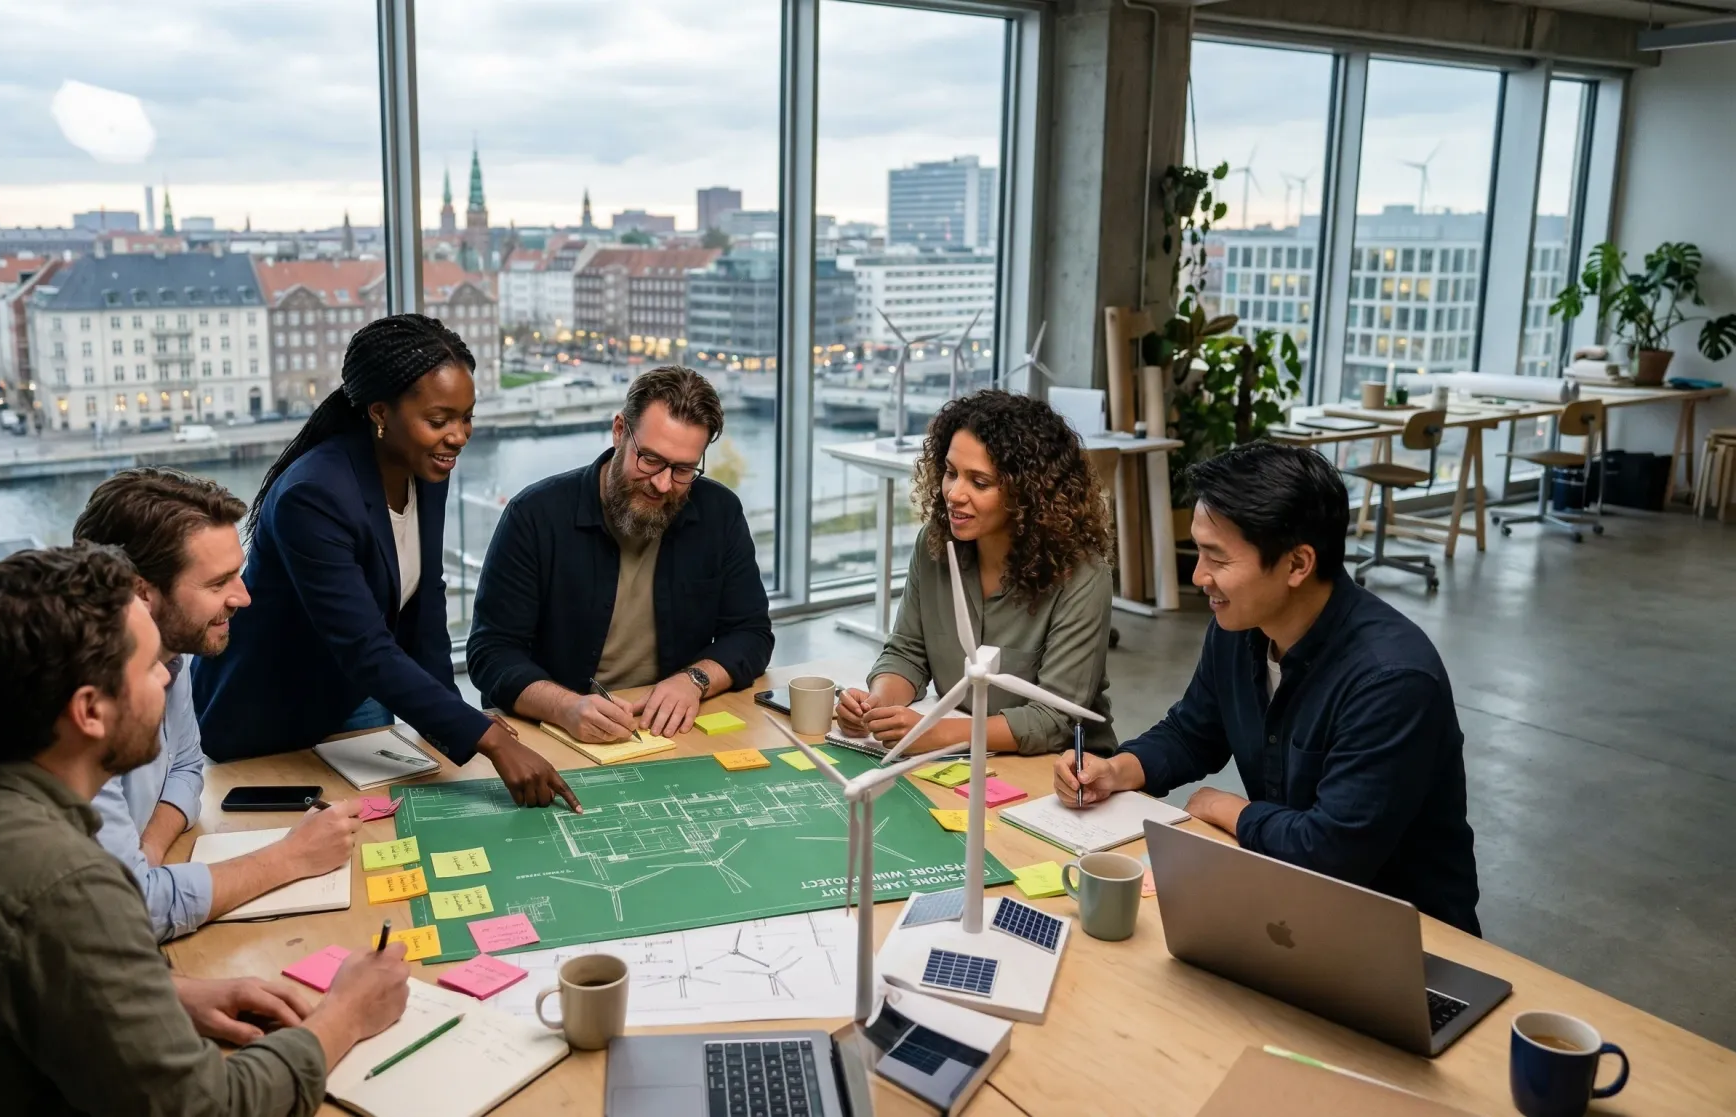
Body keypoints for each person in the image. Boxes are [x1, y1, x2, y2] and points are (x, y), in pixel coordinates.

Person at [0, 546, 412, 1116]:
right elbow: (208, 1107)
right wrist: (344, 1015)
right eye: (147, 668)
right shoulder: (63, 883)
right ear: (89, 712)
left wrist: (164, 993)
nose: (167, 676)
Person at [1056, 443, 1480, 934]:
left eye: (1217, 558)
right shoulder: (1241, 628)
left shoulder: (1391, 680)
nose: (1198, 577)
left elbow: (1330, 852)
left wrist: (1227, 808)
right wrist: (1116, 769)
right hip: (1288, 909)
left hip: (1405, 937)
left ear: (1298, 564)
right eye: (1198, 552)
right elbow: (1194, 732)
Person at [0, 468, 356, 942]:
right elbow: (132, 910)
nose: (243, 597)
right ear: (140, 593)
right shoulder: (68, 700)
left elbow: (188, 765)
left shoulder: (165, 653)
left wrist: (145, 851)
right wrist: (288, 858)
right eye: (218, 583)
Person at [195, 314, 578, 810]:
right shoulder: (312, 495)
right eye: (439, 421)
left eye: (467, 418)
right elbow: (366, 647)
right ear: (380, 413)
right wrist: (490, 739)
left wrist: (453, 721)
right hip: (270, 714)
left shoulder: (425, 467)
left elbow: (425, 605)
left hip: (356, 697)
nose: (459, 436)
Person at [466, 366, 773, 743]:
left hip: (673, 727)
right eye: (651, 460)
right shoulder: (534, 515)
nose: (662, 484)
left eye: (683, 469)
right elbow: (490, 653)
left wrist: (694, 680)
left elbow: (752, 633)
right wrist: (565, 706)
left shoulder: (720, 512)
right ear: (618, 431)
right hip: (556, 728)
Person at [837, 390, 1115, 755]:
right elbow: (907, 652)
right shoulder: (935, 545)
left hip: (1059, 772)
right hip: (961, 756)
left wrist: (936, 733)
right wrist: (877, 706)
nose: (954, 493)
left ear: (1031, 493)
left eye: (979, 482)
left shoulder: (1083, 577)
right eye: (951, 473)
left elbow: (1054, 718)